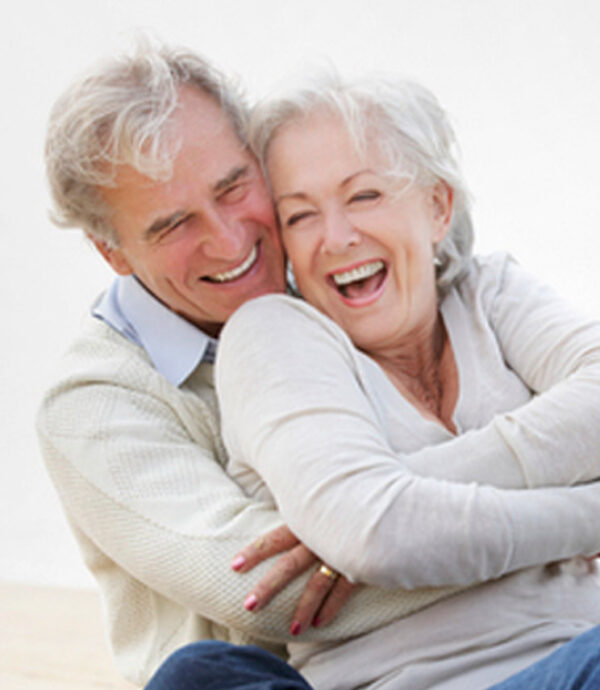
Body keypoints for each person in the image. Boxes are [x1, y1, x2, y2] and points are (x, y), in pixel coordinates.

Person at [36, 41, 439, 688]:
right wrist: (550, 530)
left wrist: (374, 525)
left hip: (480, 648)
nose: (229, 240)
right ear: (113, 253)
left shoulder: (342, 275)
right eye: (172, 225)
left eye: (233, 187)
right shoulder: (93, 402)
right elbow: (271, 590)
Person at [214, 72, 600, 688]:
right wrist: (590, 511)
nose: (337, 238)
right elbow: (375, 534)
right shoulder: (277, 337)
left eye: (364, 196)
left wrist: (394, 494)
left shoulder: (490, 293)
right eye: (300, 216)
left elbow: (366, 518)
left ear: (437, 206)